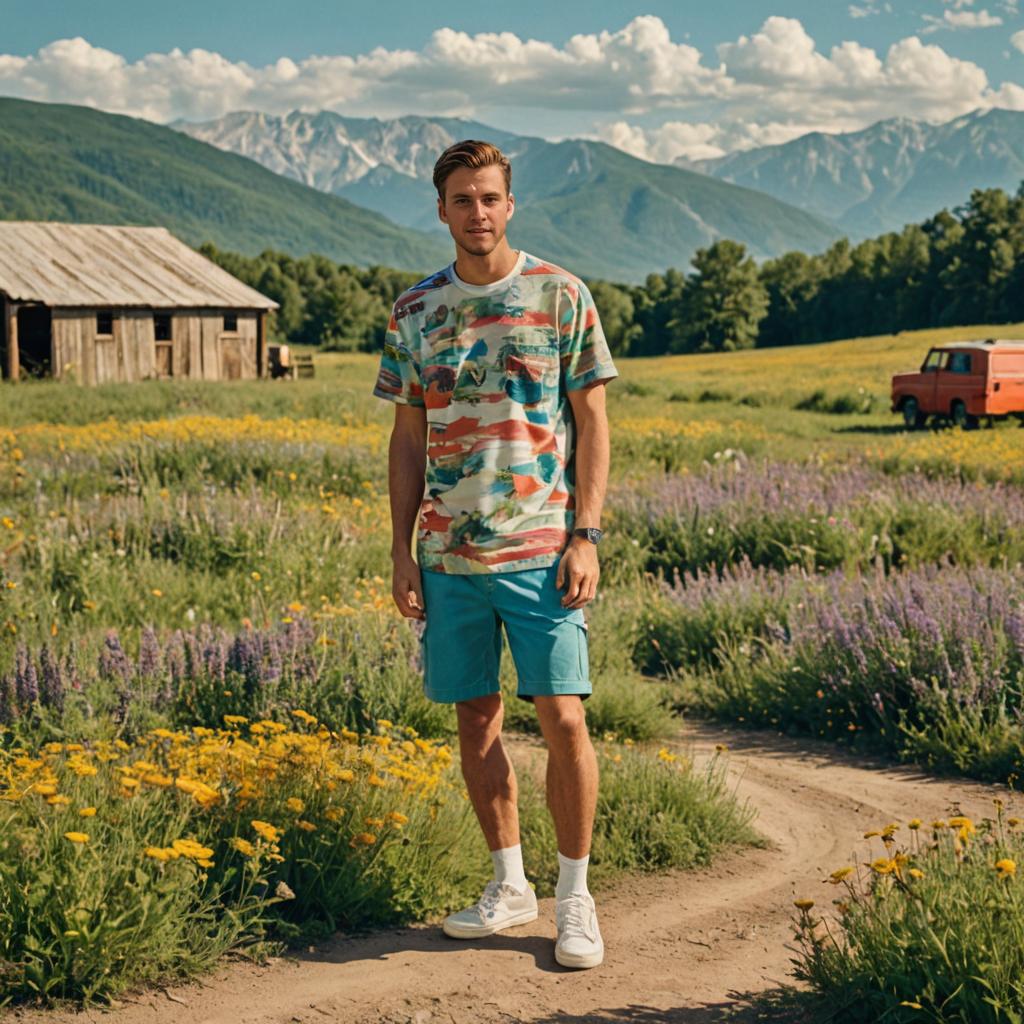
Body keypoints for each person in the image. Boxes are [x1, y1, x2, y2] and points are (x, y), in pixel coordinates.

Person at [372, 139, 617, 970]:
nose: (478, 212)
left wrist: (586, 534)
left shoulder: (561, 295)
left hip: (544, 550)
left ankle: (575, 897)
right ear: (440, 210)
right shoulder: (414, 311)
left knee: (564, 717)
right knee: (475, 720)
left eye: (490, 198)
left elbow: (593, 424)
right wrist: (402, 551)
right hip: (447, 557)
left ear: (511, 205)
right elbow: (408, 437)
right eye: (462, 199)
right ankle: (510, 886)